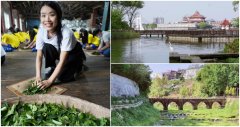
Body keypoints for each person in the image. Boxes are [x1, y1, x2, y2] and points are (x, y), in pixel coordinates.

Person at [35, 1, 86, 89]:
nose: (47, 19)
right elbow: (39, 55)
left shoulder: (66, 33)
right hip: (59, 51)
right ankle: (53, 67)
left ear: (58, 16)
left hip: (73, 53)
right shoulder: (41, 30)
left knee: (62, 78)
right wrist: (38, 76)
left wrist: (50, 81)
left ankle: (79, 66)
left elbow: (63, 60)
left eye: (52, 15)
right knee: (46, 47)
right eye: (43, 15)